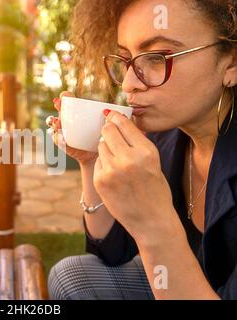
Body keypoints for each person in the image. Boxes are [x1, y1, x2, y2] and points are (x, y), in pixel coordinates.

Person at [47, 0, 237, 300]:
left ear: (231, 63)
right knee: (71, 275)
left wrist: (154, 222)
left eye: (159, 56)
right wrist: (91, 161)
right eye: (126, 59)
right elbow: (112, 252)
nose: (129, 84)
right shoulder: (167, 141)